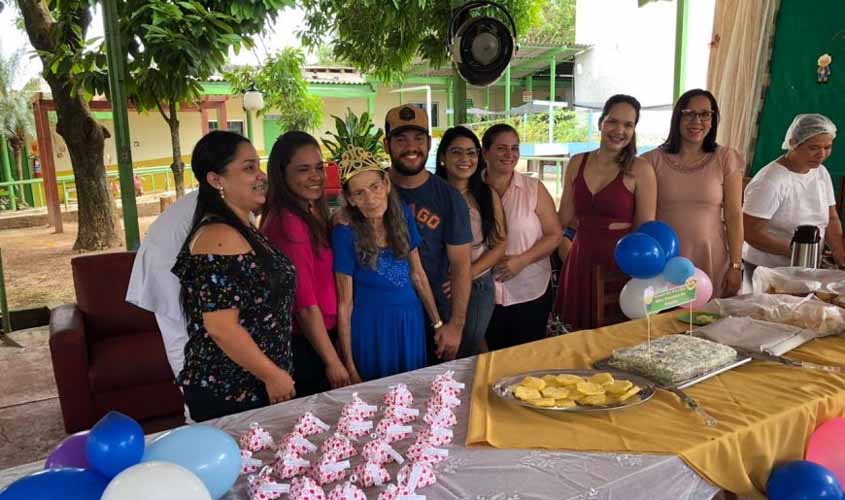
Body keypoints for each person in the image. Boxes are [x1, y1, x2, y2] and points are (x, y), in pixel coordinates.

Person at [172, 130, 296, 422]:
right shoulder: (218, 237)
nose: (261, 175)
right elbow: (221, 327)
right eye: (248, 168)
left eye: (259, 165)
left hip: (256, 383)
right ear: (216, 180)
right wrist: (273, 375)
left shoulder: (243, 227)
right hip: (231, 390)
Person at [332, 146, 443, 380]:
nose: (371, 199)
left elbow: (418, 274)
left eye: (375, 187)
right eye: (359, 193)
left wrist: (438, 323)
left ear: (387, 185)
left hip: (409, 322)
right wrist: (349, 365)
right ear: (350, 200)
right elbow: (345, 303)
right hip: (372, 328)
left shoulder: (402, 215)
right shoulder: (345, 232)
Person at [260, 131, 352, 397]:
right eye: (303, 169)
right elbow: (305, 305)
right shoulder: (289, 222)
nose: (316, 176)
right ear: (282, 174)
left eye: (318, 167)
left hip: (323, 338)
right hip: (309, 346)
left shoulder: (310, 211)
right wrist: (332, 361)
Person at [556, 95, 657, 331]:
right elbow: (564, 218)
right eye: (613, 121)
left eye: (628, 125)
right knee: (575, 336)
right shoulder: (576, 163)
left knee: (614, 335)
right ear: (600, 122)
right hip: (580, 259)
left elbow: (644, 230)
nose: (619, 130)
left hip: (620, 264)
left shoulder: (641, 169)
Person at [383, 105, 472, 362]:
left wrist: (455, 325)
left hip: (434, 317)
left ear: (430, 143)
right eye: (401, 140)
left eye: (419, 139)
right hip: (385, 315)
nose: (411, 147)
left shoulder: (448, 198)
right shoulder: (372, 190)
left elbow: (461, 266)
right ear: (387, 145)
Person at [643, 89, 745, 297]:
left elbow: (734, 215)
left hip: (712, 258)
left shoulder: (726, 158)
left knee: (709, 323)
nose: (696, 121)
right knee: (665, 325)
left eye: (705, 114)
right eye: (689, 113)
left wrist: (736, 265)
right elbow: (645, 218)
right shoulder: (650, 161)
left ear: (713, 119)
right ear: (677, 117)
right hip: (665, 261)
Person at [482, 124, 562, 350]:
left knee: (527, 361)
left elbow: (554, 235)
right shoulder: (471, 189)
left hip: (529, 292)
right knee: (488, 361)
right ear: (485, 152)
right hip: (483, 295)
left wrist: (522, 260)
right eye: (501, 148)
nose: (510, 155)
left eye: (514, 148)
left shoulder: (533, 188)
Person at [435, 126, 507, 356]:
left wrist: (465, 276)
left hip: (476, 285)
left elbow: (500, 243)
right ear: (442, 157)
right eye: (456, 152)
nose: (465, 159)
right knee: (438, 351)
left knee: (465, 347)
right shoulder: (431, 194)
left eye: (471, 152)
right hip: (436, 287)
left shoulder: (486, 194)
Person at [743, 113, 844, 273]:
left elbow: (831, 218)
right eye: (813, 147)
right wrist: (800, 251)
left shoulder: (820, 172)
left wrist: (839, 250)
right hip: (766, 269)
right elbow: (750, 232)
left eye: (827, 147)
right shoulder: (770, 182)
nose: (822, 154)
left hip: (806, 264)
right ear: (793, 143)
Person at [127, 190, 197, 380]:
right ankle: (190, 403)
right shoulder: (225, 205)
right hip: (165, 268)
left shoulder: (225, 200)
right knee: (181, 337)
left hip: (173, 264)